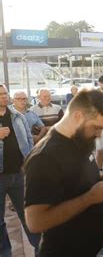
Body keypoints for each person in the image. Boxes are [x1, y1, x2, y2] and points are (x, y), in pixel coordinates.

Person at [24, 89, 103, 256]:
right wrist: (90, 198)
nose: (99, 134)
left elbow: (73, 180)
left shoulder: (83, 139)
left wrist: (99, 178)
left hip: (92, 247)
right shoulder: (44, 157)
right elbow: (35, 222)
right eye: (96, 127)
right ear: (78, 116)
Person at [0, 85, 40, 256]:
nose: (3, 97)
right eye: (0, 94)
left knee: (28, 214)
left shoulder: (17, 115)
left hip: (19, 174)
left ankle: (41, 248)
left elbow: (29, 140)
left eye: (4, 93)